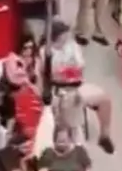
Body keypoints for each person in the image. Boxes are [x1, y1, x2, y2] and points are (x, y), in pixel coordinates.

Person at [46, 19, 115, 154]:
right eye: (65, 33)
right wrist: (66, 71)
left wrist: (67, 71)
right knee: (65, 111)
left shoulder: (72, 46)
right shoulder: (48, 51)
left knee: (105, 99)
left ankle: (104, 136)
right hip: (59, 90)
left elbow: (80, 66)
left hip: (77, 85)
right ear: (58, 35)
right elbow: (52, 75)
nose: (68, 35)